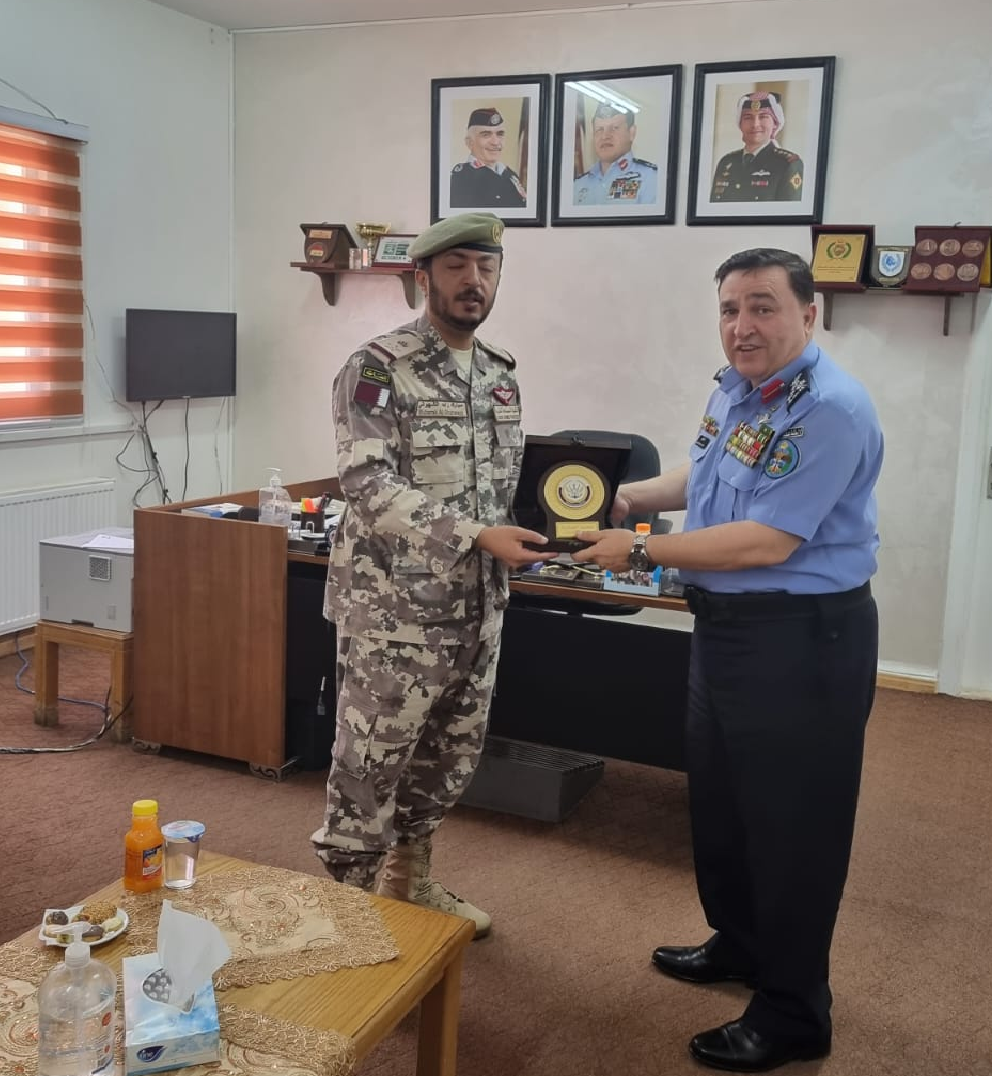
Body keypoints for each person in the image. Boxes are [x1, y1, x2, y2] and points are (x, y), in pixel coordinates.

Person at [573, 248, 882, 1072]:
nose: (742, 326)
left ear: (808, 314)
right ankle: (741, 943)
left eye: (763, 307)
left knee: (793, 828)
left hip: (801, 639)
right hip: (728, 632)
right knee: (726, 808)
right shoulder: (740, 389)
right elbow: (711, 478)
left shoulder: (830, 409)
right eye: (729, 309)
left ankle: (794, 1011)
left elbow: (767, 539)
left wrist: (642, 548)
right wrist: (635, 495)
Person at [311, 212, 555, 938]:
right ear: (424, 277)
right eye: (456, 266)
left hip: (476, 607)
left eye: (486, 266)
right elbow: (366, 482)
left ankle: (409, 882)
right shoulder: (377, 368)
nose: (473, 280)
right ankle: (345, 912)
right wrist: (477, 535)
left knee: (448, 758)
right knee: (369, 766)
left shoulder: (500, 374)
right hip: (395, 615)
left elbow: (501, 487)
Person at [710, 91, 804, 202]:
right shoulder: (726, 162)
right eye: (748, 118)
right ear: (740, 124)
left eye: (763, 117)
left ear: (775, 124)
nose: (755, 124)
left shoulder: (788, 164)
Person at [573, 102, 659, 206]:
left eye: (614, 128)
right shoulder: (577, 185)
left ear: (631, 133)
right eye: (599, 129)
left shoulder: (652, 179)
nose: (605, 136)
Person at [450, 107, 527, 210]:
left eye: (500, 134)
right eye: (486, 135)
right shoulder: (461, 179)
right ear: (469, 142)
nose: (495, 142)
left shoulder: (509, 174)